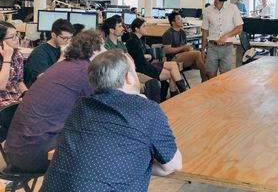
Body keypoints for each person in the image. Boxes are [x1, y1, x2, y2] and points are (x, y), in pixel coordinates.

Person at [39, 50, 182, 191]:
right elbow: (173, 165)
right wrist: (137, 164)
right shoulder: (147, 110)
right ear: (128, 78)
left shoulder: (79, 107)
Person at [4, 30, 104, 173]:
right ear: (95, 50)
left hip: (16, 150)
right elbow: (100, 109)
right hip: (34, 155)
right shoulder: (85, 71)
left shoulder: (61, 65)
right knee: (97, 139)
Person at [126, 18, 187, 96]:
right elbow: (140, 59)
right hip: (142, 68)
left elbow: (149, 56)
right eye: (144, 26)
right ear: (137, 29)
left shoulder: (140, 40)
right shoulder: (132, 41)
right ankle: (180, 93)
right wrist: (146, 56)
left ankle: (177, 94)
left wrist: (147, 56)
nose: (147, 28)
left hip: (146, 65)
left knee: (173, 67)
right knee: (173, 71)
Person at [202, 0, 243, 79]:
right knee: (210, 78)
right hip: (212, 47)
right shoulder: (207, 11)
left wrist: (226, 36)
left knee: (225, 79)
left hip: (227, 48)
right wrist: (202, 49)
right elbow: (205, 31)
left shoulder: (233, 8)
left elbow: (239, 27)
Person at [24, 18, 75, 87]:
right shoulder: (39, 53)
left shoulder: (62, 48)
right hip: (43, 89)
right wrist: (62, 58)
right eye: (64, 38)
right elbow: (43, 79)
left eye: (70, 38)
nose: (68, 41)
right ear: (53, 35)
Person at [163, 11, 207, 82]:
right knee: (197, 54)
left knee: (204, 57)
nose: (181, 20)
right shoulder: (168, 33)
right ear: (173, 22)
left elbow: (185, 47)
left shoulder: (182, 32)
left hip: (183, 56)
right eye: (179, 19)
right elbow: (167, 50)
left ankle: (205, 80)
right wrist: (183, 48)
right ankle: (205, 80)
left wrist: (189, 49)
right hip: (173, 58)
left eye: (181, 19)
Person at [0, 21, 27, 106]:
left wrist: (27, 94)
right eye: (12, 37)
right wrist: (7, 58)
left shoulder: (17, 55)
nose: (17, 39)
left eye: (17, 35)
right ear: (1, 42)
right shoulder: (8, 56)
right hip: (3, 102)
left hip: (15, 98)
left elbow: (19, 81)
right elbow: (1, 86)